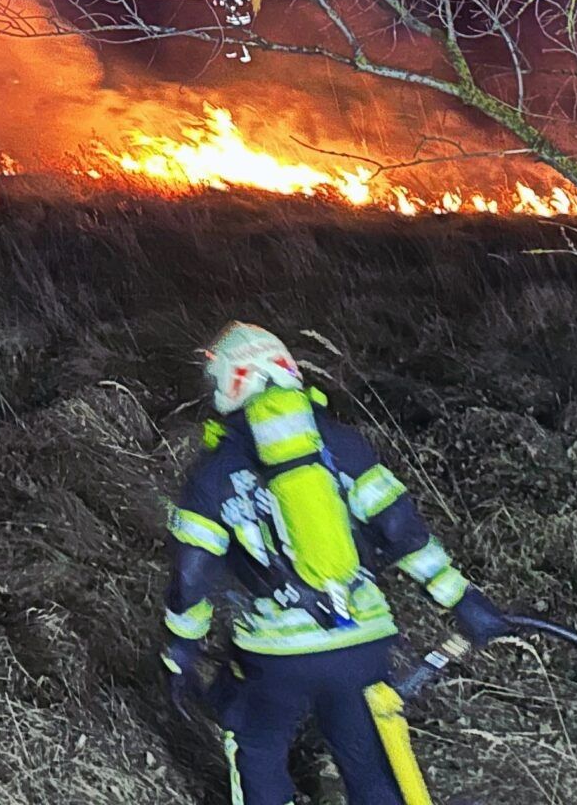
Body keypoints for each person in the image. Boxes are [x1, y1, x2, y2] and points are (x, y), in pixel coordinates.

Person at [159, 322, 509, 805]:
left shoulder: (213, 473)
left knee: (257, 748)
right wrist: (461, 598)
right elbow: (402, 531)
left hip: (274, 659)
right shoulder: (343, 445)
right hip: (361, 645)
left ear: (225, 384)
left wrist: (181, 650)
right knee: (369, 765)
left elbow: (191, 578)